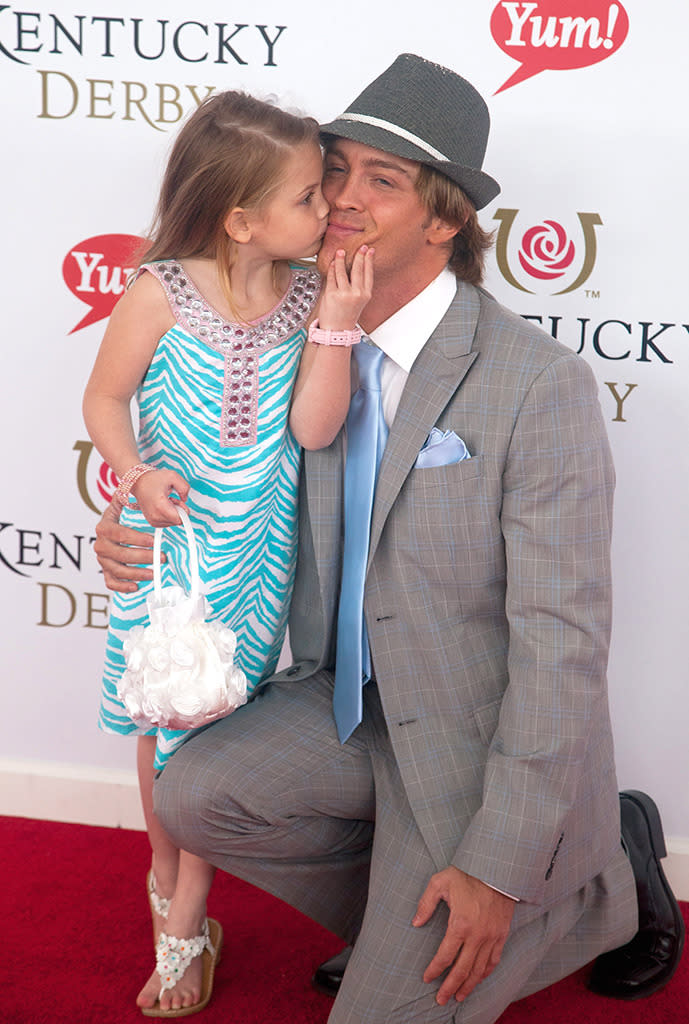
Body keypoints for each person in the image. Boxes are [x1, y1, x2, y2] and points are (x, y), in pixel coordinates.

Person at [93, 55, 684, 1023]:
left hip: (466, 737)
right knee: (196, 787)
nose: (339, 198)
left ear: (444, 219)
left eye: (381, 179)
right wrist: (127, 534)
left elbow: (559, 646)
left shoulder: (535, 384)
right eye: (333, 168)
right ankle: (409, 912)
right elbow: (216, 471)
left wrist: (493, 867)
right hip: (347, 713)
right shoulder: (289, 329)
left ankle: (591, 878)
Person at [83, 89, 373, 1017]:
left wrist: (332, 316)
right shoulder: (157, 292)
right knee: (160, 713)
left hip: (257, 551)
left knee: (212, 723)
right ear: (241, 219)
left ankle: (186, 899)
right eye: (305, 196)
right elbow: (102, 401)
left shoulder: (301, 292)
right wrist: (133, 478)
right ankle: (180, 905)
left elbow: (313, 426)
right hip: (172, 549)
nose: (325, 208)